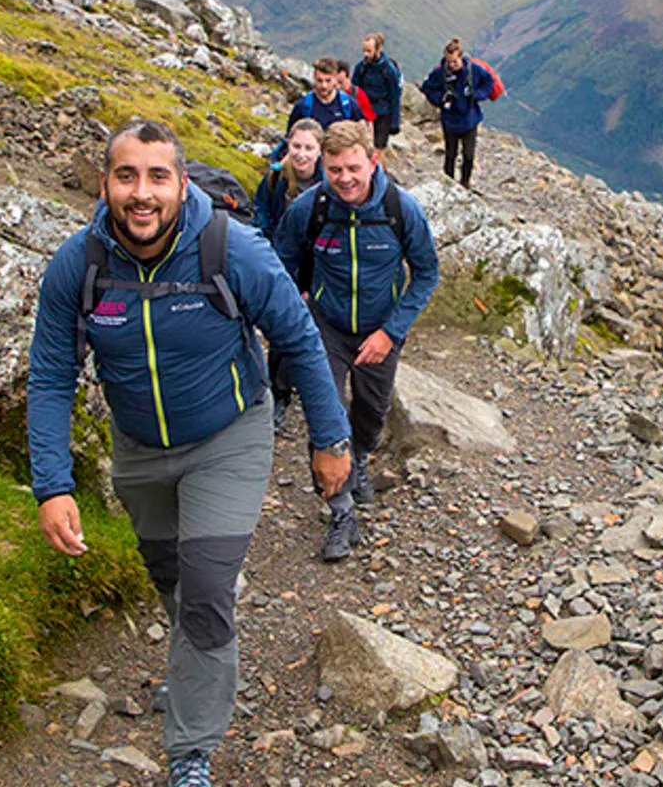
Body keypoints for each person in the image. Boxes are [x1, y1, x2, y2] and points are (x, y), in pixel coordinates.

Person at [27, 119, 352, 787]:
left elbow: (298, 337)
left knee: (203, 591)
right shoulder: (78, 266)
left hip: (229, 436)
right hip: (140, 450)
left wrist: (330, 439)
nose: (140, 194)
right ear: (104, 183)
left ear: (179, 183)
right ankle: (198, 653)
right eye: (126, 176)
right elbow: (51, 375)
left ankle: (191, 754)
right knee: (174, 585)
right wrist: (51, 484)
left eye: (156, 177)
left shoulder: (230, 249)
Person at [273, 120, 439, 562]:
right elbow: (280, 262)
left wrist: (390, 331)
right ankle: (340, 508)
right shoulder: (310, 209)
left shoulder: (401, 210)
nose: (344, 178)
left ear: (373, 161)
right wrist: (297, 312)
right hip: (324, 326)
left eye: (352, 167)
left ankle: (361, 456)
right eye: (333, 170)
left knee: (371, 408)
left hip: (379, 327)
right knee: (324, 411)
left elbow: (426, 273)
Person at [253, 117, 325, 435]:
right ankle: (279, 395)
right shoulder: (276, 178)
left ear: (320, 151)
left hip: (318, 265)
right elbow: (261, 213)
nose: (301, 154)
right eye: (297, 146)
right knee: (283, 327)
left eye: (309, 148)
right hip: (281, 263)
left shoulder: (329, 180)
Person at [418, 37, 499, 190]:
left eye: (454, 62)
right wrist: (441, 99)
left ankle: (465, 183)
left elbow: (489, 82)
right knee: (450, 154)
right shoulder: (439, 73)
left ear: (461, 57)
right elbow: (427, 89)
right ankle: (448, 184)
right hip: (450, 120)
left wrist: (478, 95)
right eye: (449, 62)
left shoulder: (474, 70)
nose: (452, 65)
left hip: (470, 119)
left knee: (468, 155)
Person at [286, 56, 373, 134]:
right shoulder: (303, 106)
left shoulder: (349, 105)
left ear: (335, 79)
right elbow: (291, 136)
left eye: (328, 81)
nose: (324, 85)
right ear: (314, 79)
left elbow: (363, 132)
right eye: (319, 81)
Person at [351, 32, 404, 153]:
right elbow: (354, 90)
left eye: (369, 51)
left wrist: (395, 122)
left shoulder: (388, 70)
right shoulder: (361, 67)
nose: (365, 54)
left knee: (378, 149)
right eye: (364, 50)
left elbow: (395, 96)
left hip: (383, 113)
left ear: (378, 49)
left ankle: (379, 170)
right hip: (365, 111)